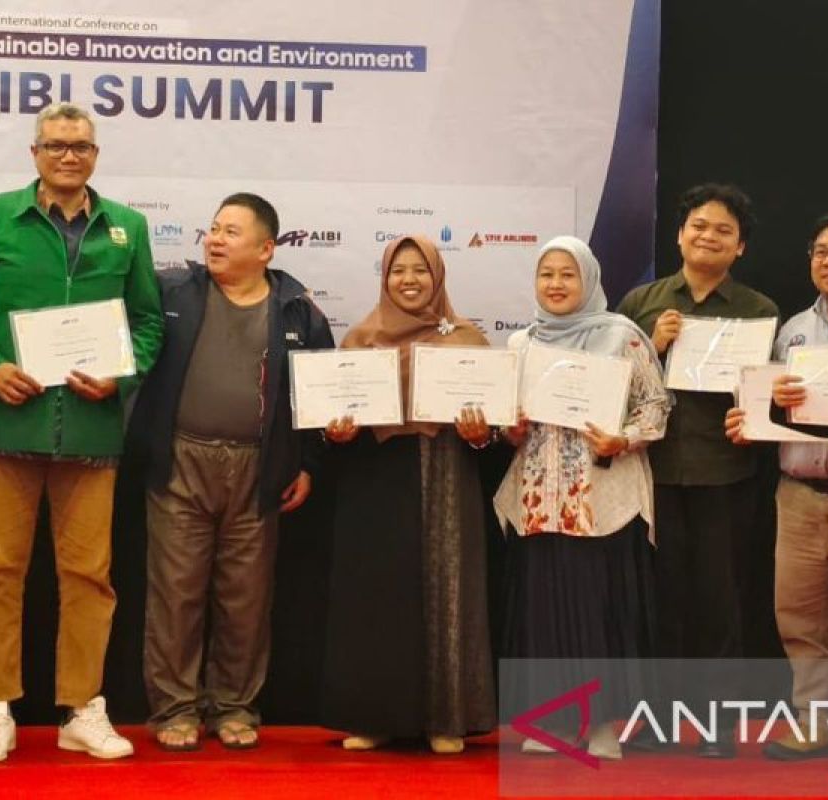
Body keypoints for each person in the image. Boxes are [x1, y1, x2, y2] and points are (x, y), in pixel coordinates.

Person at [0, 102, 163, 761]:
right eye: (56, 145)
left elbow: (149, 322)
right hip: (8, 423)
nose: (69, 156)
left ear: (96, 155)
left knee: (90, 575)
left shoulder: (127, 227)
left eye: (81, 147)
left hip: (91, 430)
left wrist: (121, 376)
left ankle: (82, 708)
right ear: (34, 153)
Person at [130, 192, 333, 751]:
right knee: (176, 593)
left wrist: (308, 464)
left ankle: (235, 707)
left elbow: (319, 395)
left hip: (259, 469)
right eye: (213, 229)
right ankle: (174, 709)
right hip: (181, 460)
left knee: (245, 598)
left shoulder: (297, 312)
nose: (215, 240)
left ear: (266, 249)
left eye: (231, 232)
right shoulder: (172, 292)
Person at [616, 184, 778, 758]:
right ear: (680, 235)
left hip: (725, 475)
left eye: (723, 230)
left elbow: (772, 397)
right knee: (659, 601)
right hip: (652, 475)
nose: (708, 236)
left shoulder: (759, 311)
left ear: (740, 247)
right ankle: (657, 721)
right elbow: (613, 387)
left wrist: (753, 417)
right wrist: (653, 346)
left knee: (720, 602)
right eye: (699, 226)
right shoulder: (641, 303)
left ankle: (718, 725)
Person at [319, 235, 496, 754]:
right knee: (377, 592)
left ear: (437, 276)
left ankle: (447, 719)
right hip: (376, 478)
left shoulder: (466, 339)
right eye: (398, 271)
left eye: (421, 270)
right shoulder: (360, 339)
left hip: (445, 473)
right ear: (385, 278)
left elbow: (492, 433)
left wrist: (479, 434)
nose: (409, 280)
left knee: (448, 588)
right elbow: (332, 421)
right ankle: (375, 717)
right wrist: (337, 432)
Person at [496, 236, 669, 760]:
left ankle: (602, 727)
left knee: (600, 613)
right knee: (544, 615)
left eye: (567, 274)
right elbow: (507, 417)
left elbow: (656, 406)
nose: (556, 284)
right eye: (546, 274)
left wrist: (624, 438)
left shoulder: (622, 335)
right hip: (539, 500)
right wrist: (509, 429)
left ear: (589, 279)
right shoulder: (521, 343)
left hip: (602, 502)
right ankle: (553, 717)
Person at [727, 208, 828, 775]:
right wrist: (749, 419)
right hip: (798, 492)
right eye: (821, 251)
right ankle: (818, 724)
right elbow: (768, 407)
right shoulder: (793, 330)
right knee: (803, 620)